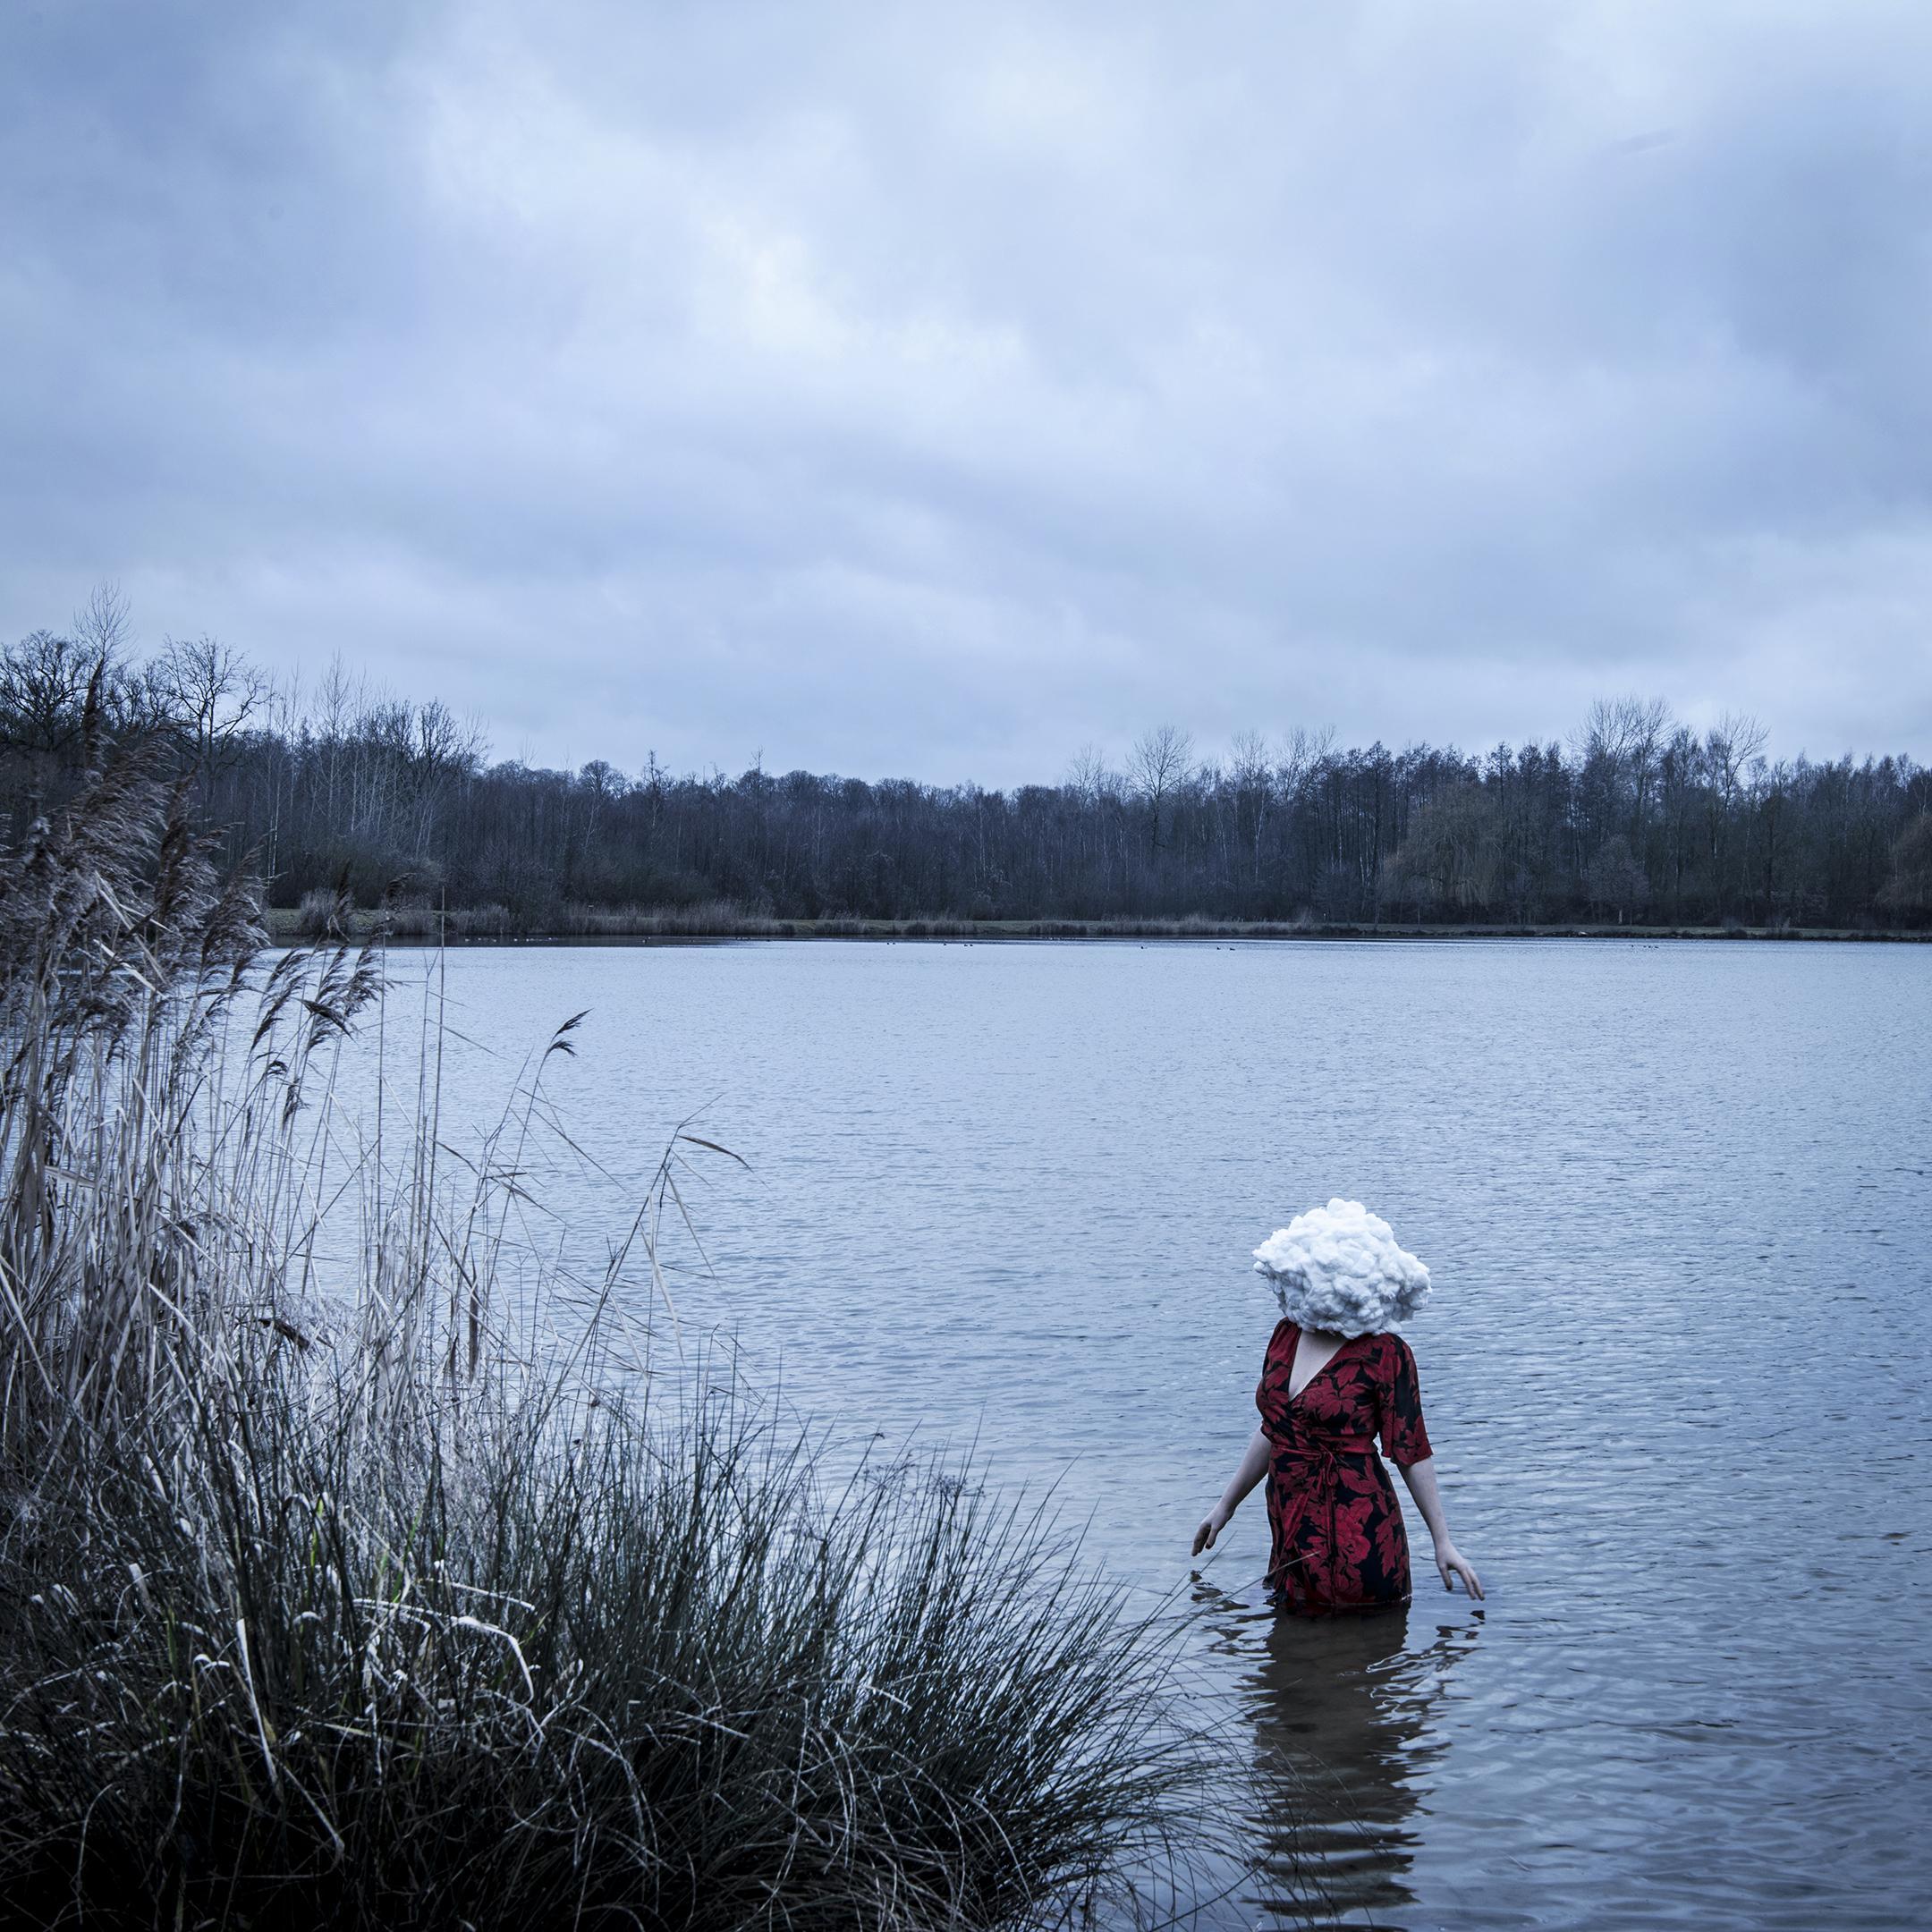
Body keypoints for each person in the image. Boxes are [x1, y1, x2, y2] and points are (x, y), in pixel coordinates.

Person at [1193, 1316, 1482, 1614]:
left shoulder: (1386, 1351)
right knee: (1292, 1638)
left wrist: (1442, 1540)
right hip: (1290, 1524)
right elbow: (1275, 1428)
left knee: (1353, 1642)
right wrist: (1226, 1506)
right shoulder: (1287, 1333)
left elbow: (1413, 1450)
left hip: (1354, 1529)